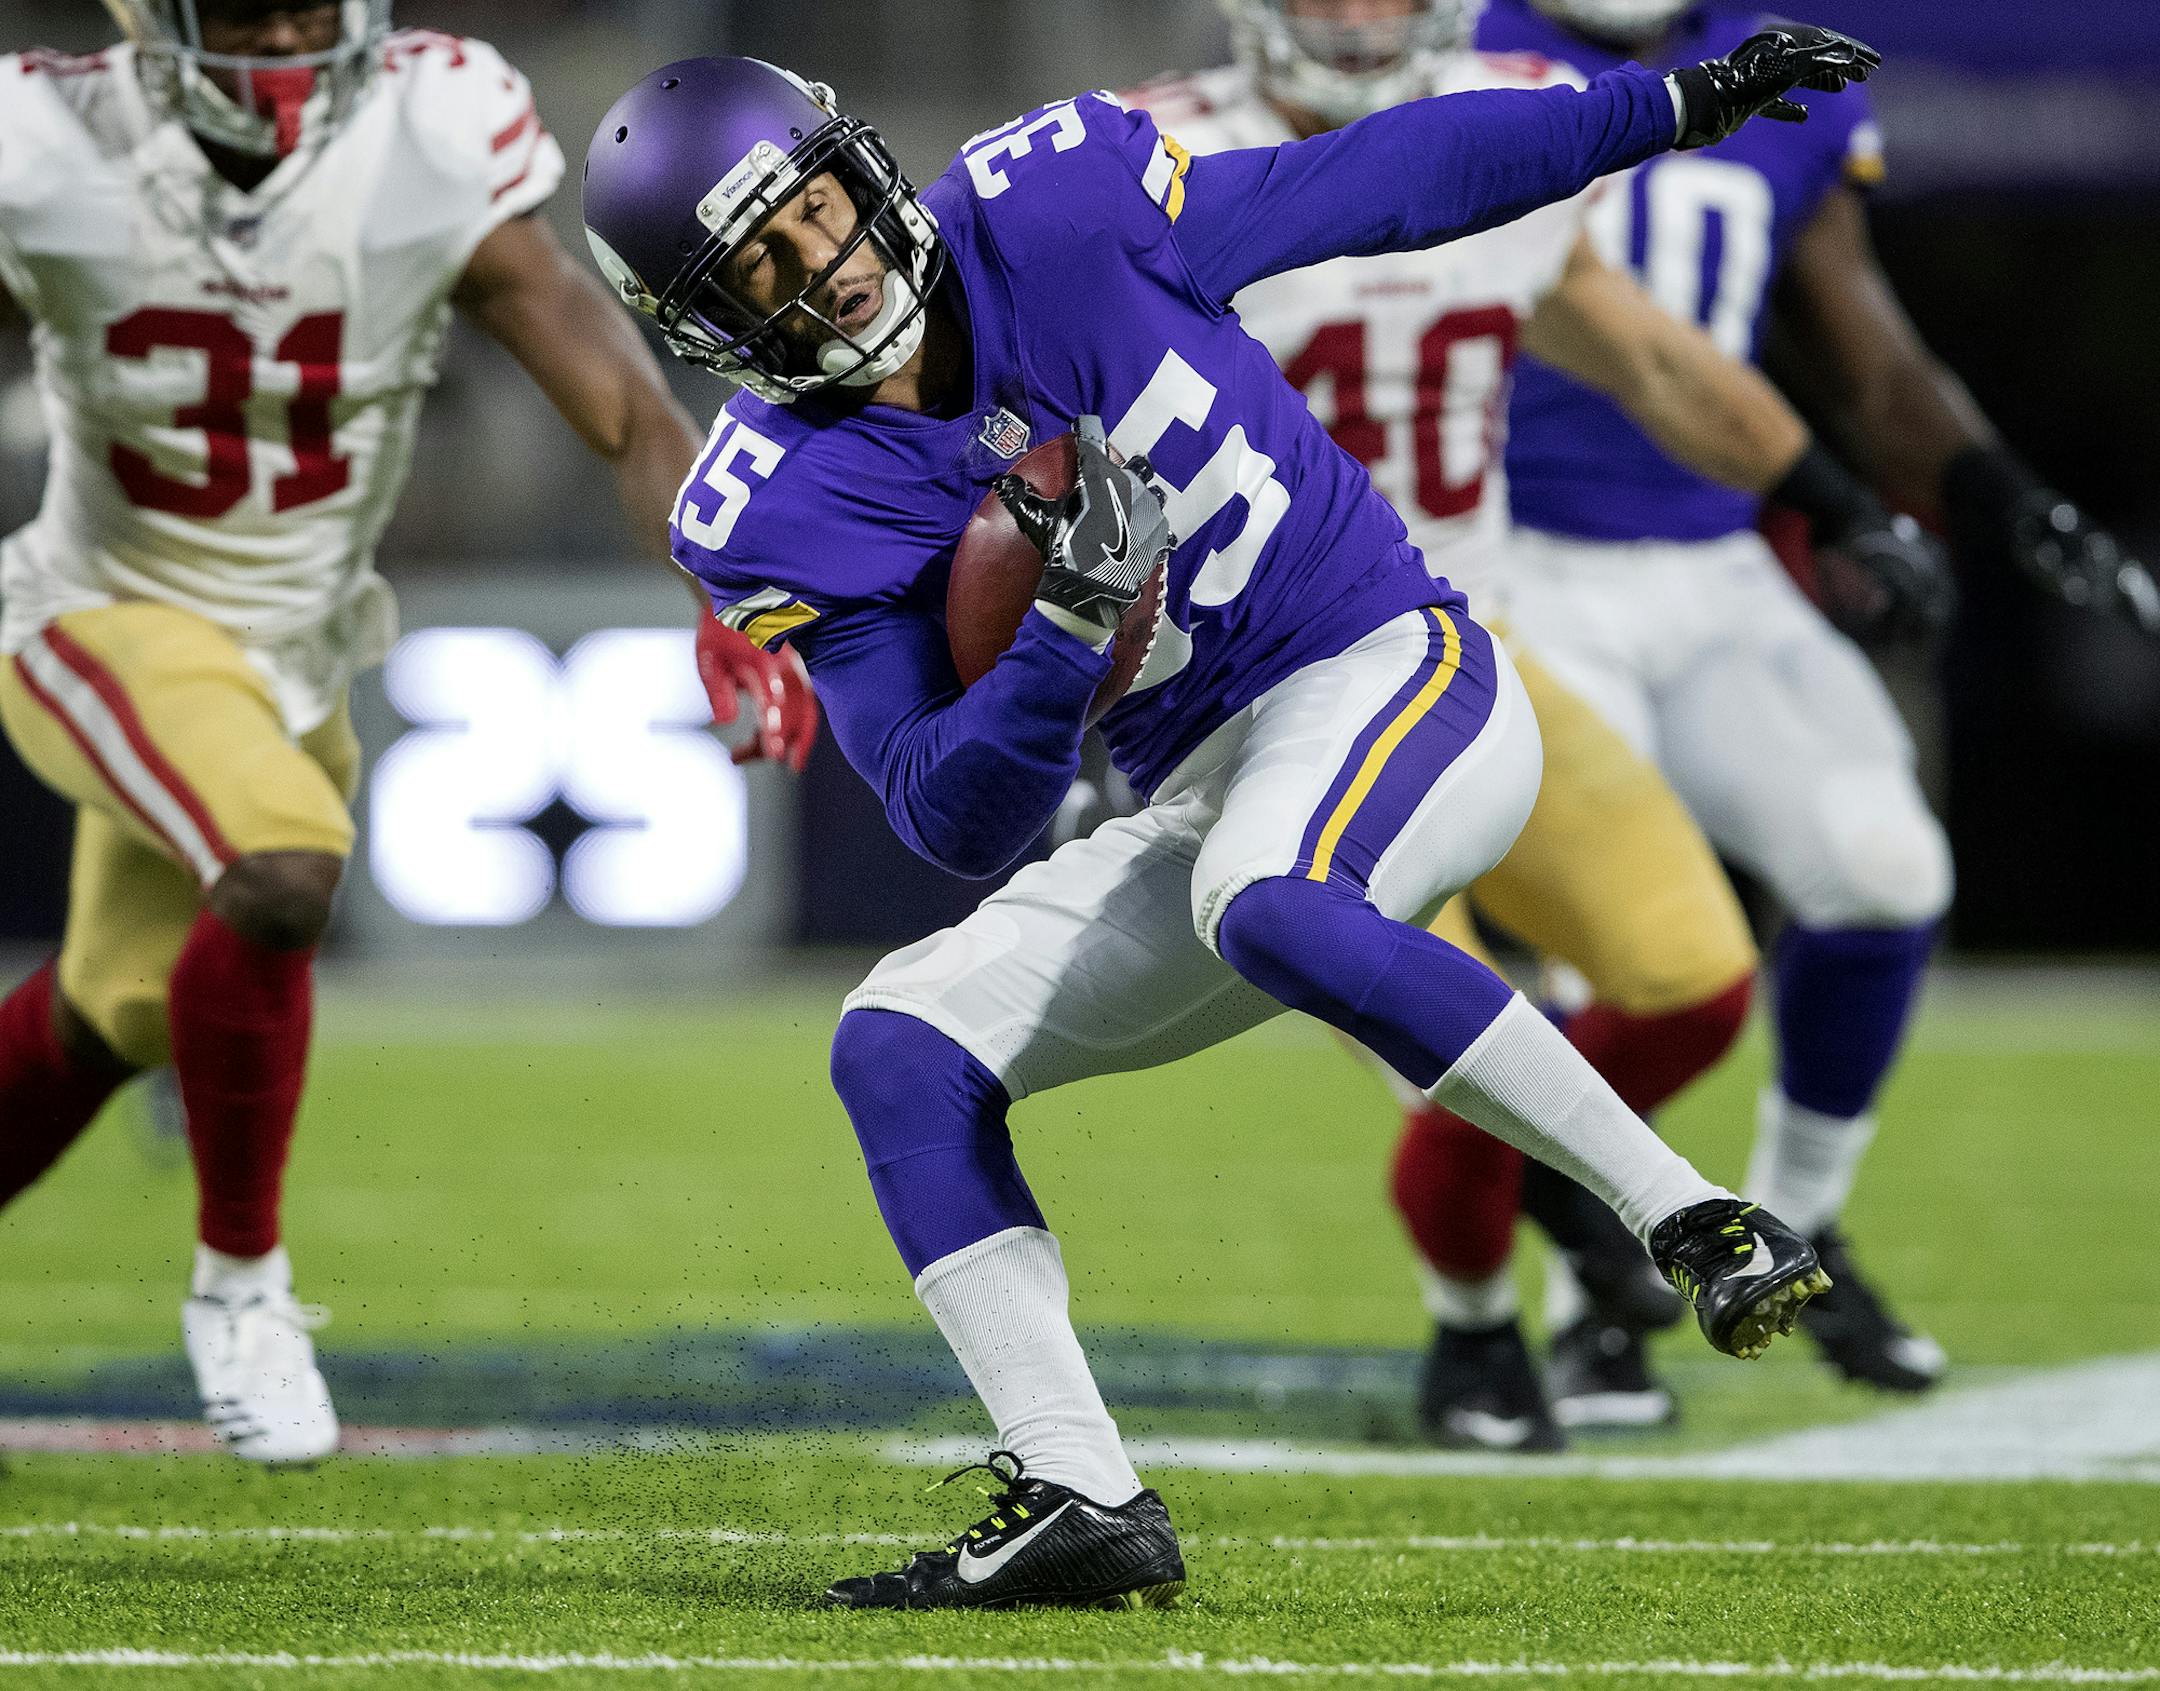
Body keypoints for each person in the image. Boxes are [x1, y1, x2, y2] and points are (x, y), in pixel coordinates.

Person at [583, 32, 1873, 1609]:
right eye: (759, 266)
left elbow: (1383, 179)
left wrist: (1659, 106)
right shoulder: (780, 499)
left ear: (863, 171)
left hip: (1394, 660)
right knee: (902, 1040)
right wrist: (1060, 637)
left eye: (816, 211)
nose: (825, 265)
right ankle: (1080, 1490)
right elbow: (949, 811)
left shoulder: (1055, 205)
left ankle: (1694, 1218)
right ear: (703, 325)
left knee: (1268, 893)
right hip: (1210, 781)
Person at [0, 0, 815, 1464]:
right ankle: (243, 1294)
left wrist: (725, 582)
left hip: (300, 650)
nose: (291, 39)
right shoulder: (49, 141)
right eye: (252, 12)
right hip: (100, 613)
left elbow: (618, 394)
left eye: (314, 7)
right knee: (282, 863)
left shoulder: (429, 125)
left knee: (118, 1007)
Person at [1134, 0, 1945, 1451]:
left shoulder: (1501, 120)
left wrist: (1830, 503)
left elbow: (1649, 358)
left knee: (1694, 980)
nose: (1355, 19)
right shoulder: (1153, 160)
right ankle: (1477, 1332)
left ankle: (1569, 1197)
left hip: (1465, 648)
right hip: (1253, 691)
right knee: (1452, 1037)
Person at [1440, 0, 2160, 1404]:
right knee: (1616, 943)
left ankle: (1801, 1222)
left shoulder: (1785, 74)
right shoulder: (1457, 53)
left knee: (1885, 869)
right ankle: (1593, 1295)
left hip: (1715, 558)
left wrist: (2005, 499)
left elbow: (1870, 357)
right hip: (1509, 553)